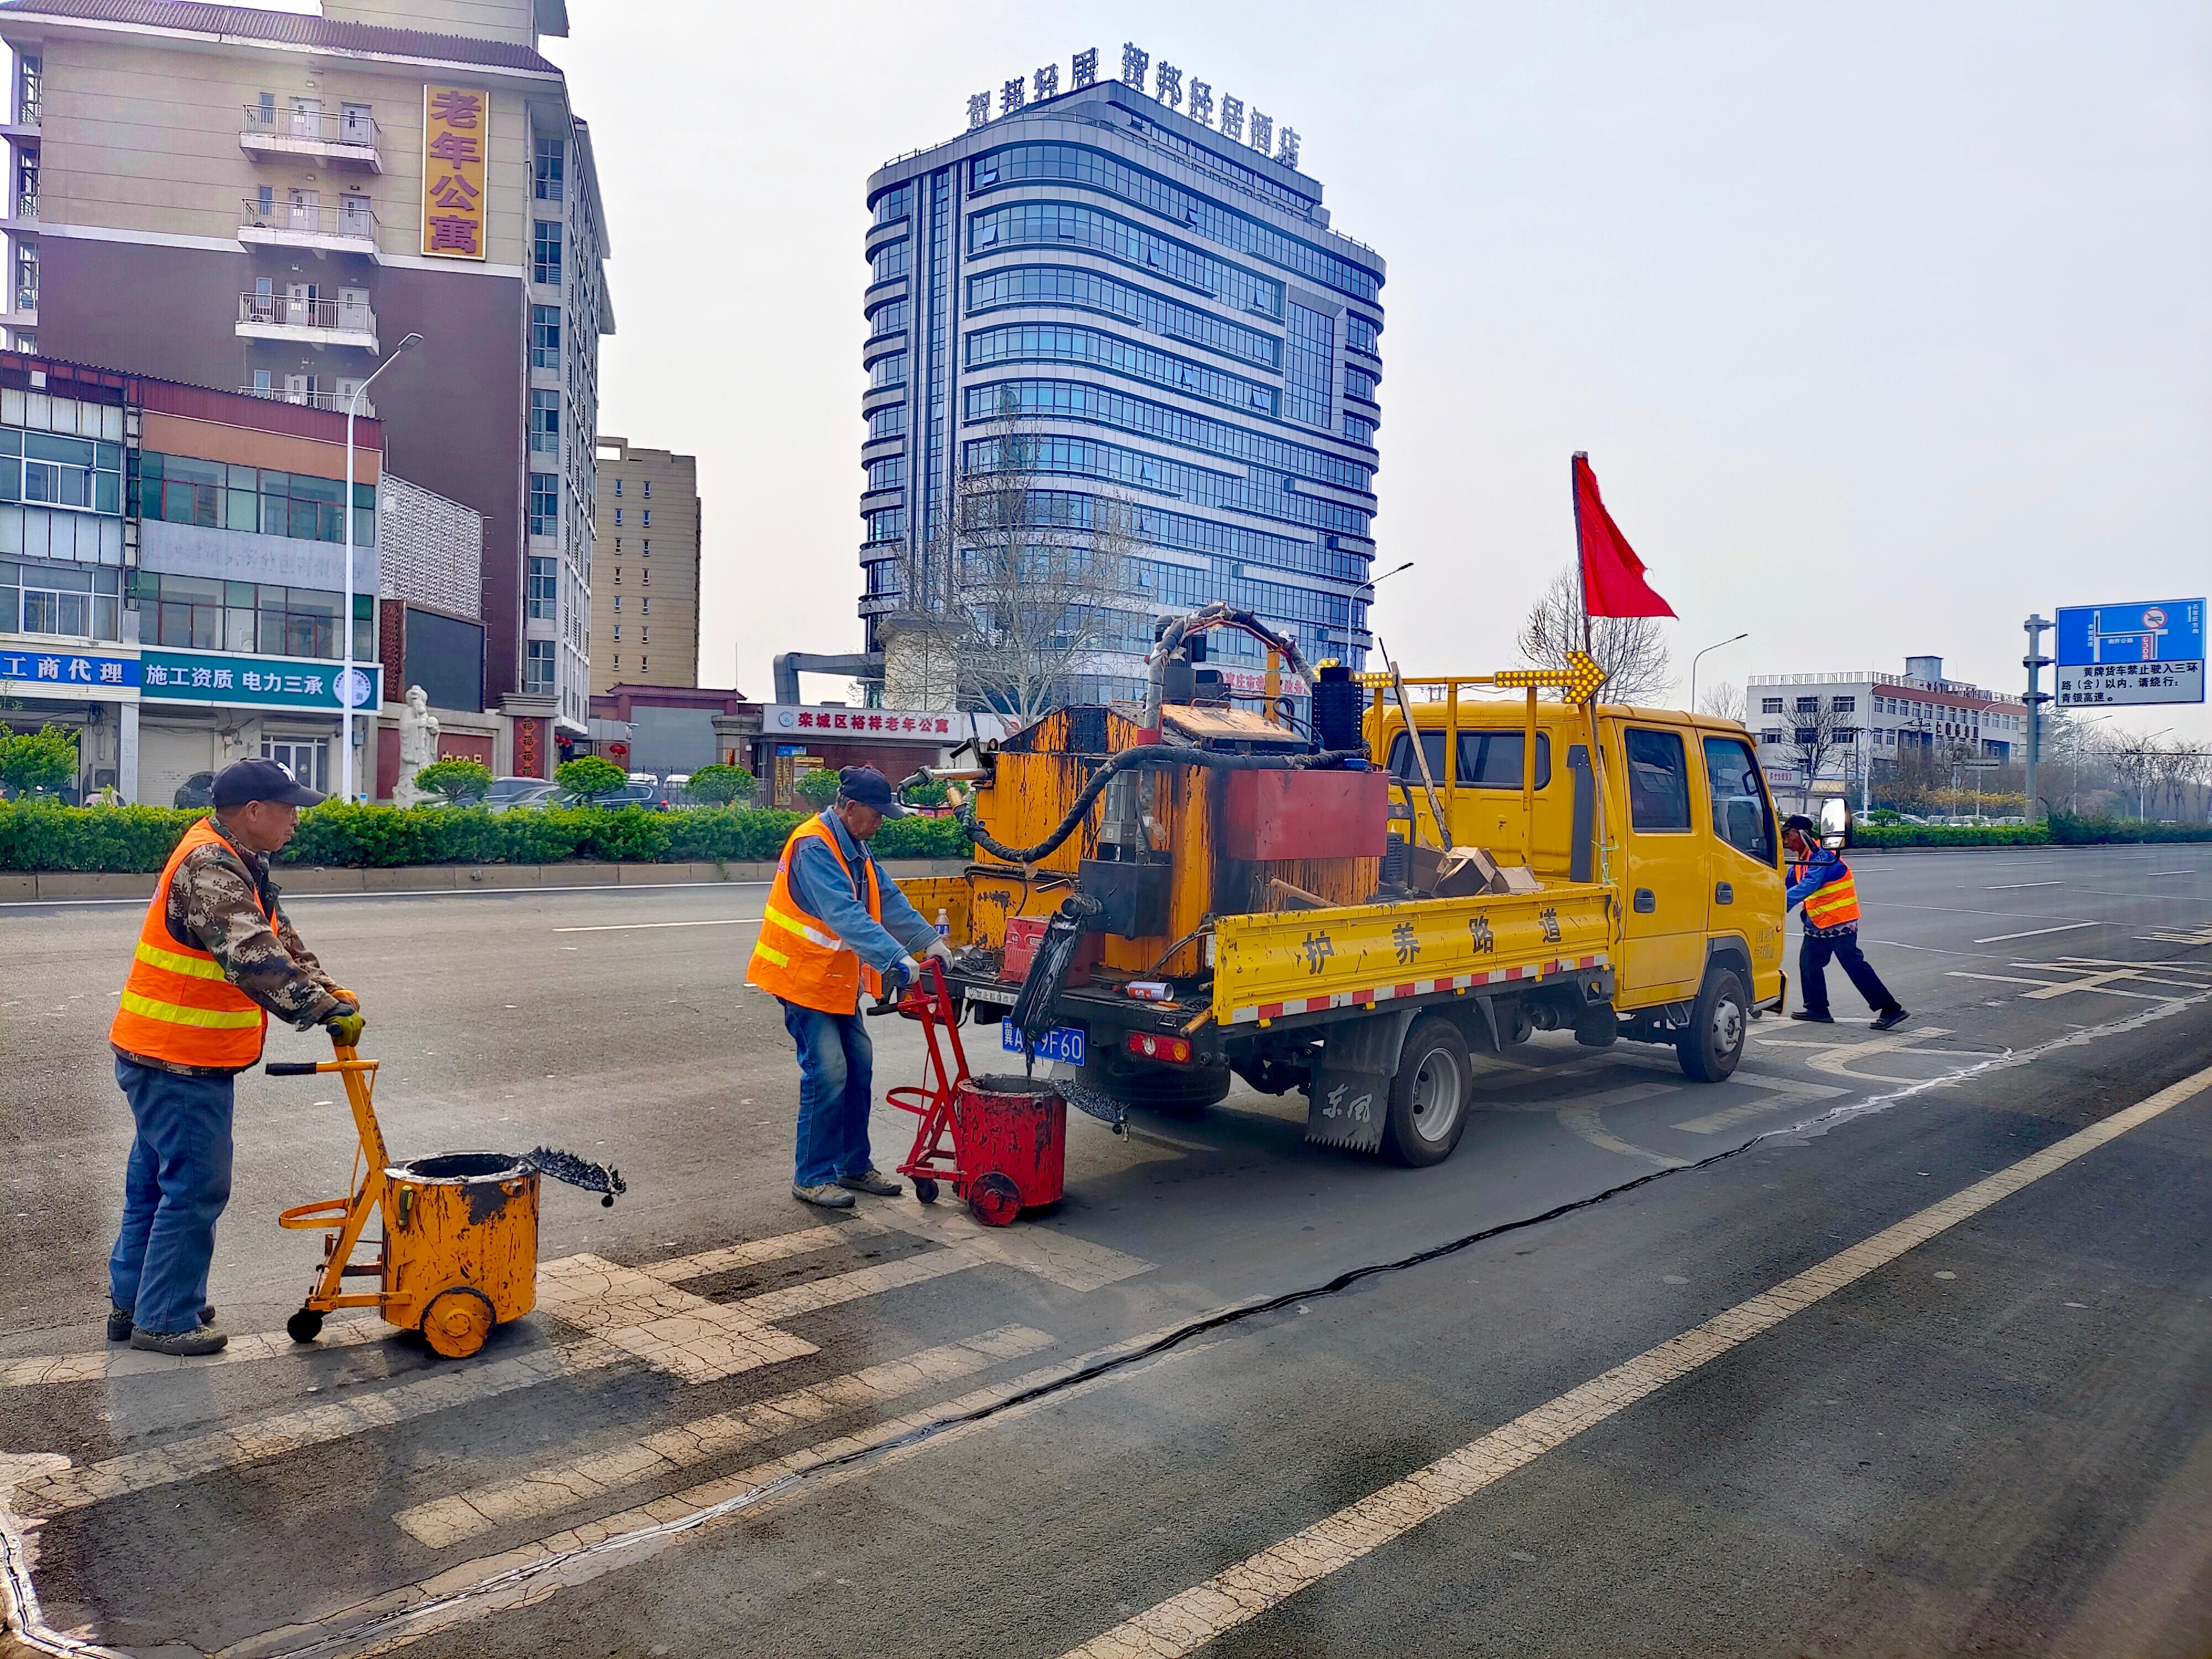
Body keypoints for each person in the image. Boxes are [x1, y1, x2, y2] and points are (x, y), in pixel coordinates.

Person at [106, 758, 363, 1355]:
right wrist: (318, 1009)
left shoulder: (238, 858)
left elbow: (280, 938)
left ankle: (136, 1301)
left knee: (155, 1185)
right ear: (253, 812)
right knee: (194, 1188)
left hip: (162, 1053)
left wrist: (329, 992)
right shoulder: (210, 866)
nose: (297, 820)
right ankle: (166, 1317)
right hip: (179, 1060)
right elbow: (252, 958)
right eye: (289, 808)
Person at [747, 765, 952, 1210]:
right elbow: (844, 914)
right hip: (802, 980)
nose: (880, 823)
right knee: (829, 1073)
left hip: (834, 982)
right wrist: (897, 959)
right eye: (876, 814)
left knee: (859, 1066)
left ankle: (853, 1166)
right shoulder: (814, 845)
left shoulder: (853, 845)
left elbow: (886, 896)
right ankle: (812, 1177)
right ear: (851, 807)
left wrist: (927, 940)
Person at [1782, 812, 1907, 1032]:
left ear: (1801, 834)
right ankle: (1817, 1009)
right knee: (1809, 964)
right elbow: (1787, 882)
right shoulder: (1803, 858)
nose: (1785, 841)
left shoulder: (1822, 855)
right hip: (1820, 922)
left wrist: (1781, 904)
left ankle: (1891, 1009)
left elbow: (1809, 885)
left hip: (1839, 921)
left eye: (1788, 835)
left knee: (1854, 965)